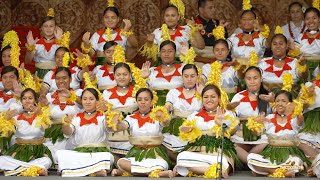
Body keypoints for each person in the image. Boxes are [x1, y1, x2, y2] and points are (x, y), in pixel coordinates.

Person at [175, 84, 239, 178]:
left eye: (213, 96)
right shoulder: (194, 115)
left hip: (218, 152)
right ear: (202, 99)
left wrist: (221, 124)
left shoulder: (227, 114)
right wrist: (187, 131)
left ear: (219, 98)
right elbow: (185, 132)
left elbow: (232, 131)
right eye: (206, 97)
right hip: (197, 151)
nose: (209, 100)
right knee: (181, 156)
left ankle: (199, 169)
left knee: (222, 161)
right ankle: (214, 170)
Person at [109, 88, 173, 177]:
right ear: (136, 102)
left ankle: (129, 172)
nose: (143, 102)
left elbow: (165, 123)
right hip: (136, 153)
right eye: (139, 99)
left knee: (161, 164)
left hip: (155, 154)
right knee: (121, 162)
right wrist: (116, 122)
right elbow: (121, 127)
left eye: (146, 99)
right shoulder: (130, 118)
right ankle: (154, 173)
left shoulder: (158, 115)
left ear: (151, 102)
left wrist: (163, 116)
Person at [247, 90, 309, 178]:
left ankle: (266, 171)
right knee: (251, 158)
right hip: (271, 155)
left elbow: (301, 120)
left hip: (290, 154)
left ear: (290, 103)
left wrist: (296, 109)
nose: (280, 103)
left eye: (284, 101)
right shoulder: (269, 118)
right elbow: (257, 133)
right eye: (277, 101)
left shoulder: (295, 118)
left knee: (296, 161)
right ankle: (278, 171)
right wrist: (255, 123)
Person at [56, 88, 114, 177]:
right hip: (80, 153)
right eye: (85, 99)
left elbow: (110, 127)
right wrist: (65, 124)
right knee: (59, 154)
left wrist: (106, 111)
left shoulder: (103, 116)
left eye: (91, 99)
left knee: (107, 156)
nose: (88, 102)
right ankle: (96, 169)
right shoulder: (75, 117)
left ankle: (73, 169)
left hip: (99, 153)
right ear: (81, 101)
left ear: (97, 101)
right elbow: (68, 133)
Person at [0, 88, 52, 176]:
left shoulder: (42, 116)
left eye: (30, 98)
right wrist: (6, 120)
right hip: (19, 151)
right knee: (1, 159)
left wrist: (40, 113)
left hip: (37, 152)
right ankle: (35, 169)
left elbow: (47, 128)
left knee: (47, 161)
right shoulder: (16, 118)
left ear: (35, 100)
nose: (27, 101)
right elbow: (7, 134)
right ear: (21, 101)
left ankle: (17, 169)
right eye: (24, 98)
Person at [230, 66, 273, 164]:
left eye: (255, 78)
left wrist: (273, 102)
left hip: (262, 137)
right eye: (249, 79)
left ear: (261, 79)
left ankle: (246, 160)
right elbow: (231, 117)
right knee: (231, 145)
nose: (252, 81)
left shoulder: (269, 96)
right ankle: (254, 163)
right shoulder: (238, 96)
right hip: (242, 136)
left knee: (269, 143)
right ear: (245, 80)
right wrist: (244, 120)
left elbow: (276, 117)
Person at [40, 67, 82, 164]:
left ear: (70, 79)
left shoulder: (78, 93)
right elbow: (41, 117)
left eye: (64, 78)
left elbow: (86, 104)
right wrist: (43, 107)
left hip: (73, 134)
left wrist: (71, 96)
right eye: (58, 78)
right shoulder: (49, 97)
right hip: (53, 135)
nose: (61, 81)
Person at [162, 64, 202, 158]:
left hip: (196, 128)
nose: (189, 79)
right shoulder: (174, 92)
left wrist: (201, 93)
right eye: (186, 76)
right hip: (176, 128)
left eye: (192, 76)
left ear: (197, 76)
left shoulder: (202, 93)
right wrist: (166, 109)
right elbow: (168, 105)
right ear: (182, 77)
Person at [102, 62, 137, 156]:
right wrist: (105, 110)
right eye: (118, 74)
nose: (122, 77)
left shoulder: (137, 91)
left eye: (125, 74)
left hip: (133, 132)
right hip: (113, 133)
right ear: (114, 76)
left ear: (130, 76)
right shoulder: (106, 93)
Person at [142, 40, 184, 105]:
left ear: (175, 53)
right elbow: (144, 94)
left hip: (179, 106)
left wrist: (187, 56)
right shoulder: (151, 71)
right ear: (160, 53)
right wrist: (144, 78)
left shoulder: (183, 69)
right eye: (163, 51)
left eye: (170, 51)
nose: (166, 54)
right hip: (155, 109)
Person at [25, 8, 63, 79]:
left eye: (51, 26)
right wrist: (30, 47)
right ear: (41, 28)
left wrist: (61, 43)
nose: (48, 28)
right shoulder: (36, 43)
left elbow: (66, 61)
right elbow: (27, 61)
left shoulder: (60, 43)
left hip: (55, 76)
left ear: (55, 28)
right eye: (45, 26)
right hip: (39, 76)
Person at [294, 7, 320, 78]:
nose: (311, 21)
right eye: (308, 19)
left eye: (314, 18)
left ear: (319, 19)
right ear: (304, 20)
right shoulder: (299, 37)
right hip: (302, 71)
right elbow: (295, 54)